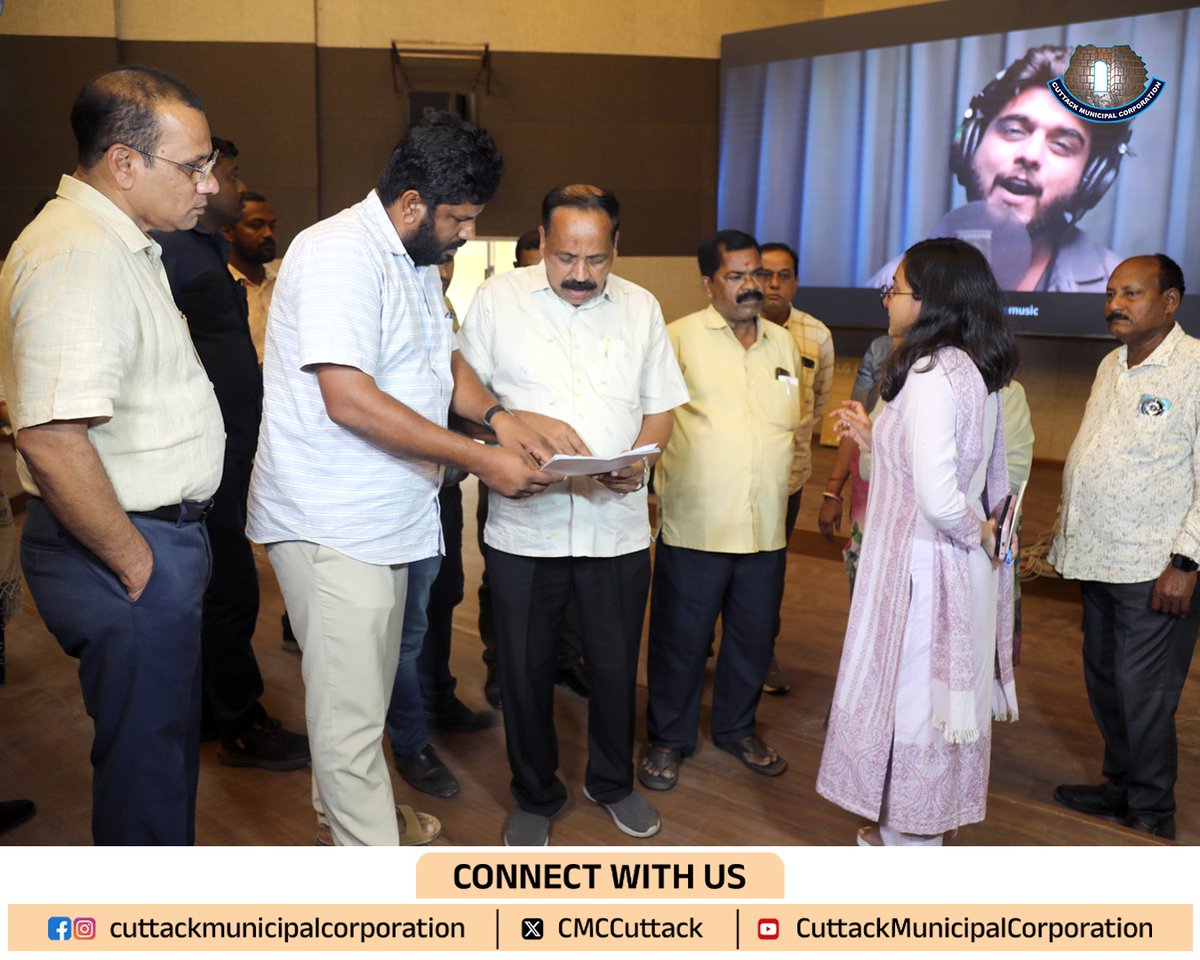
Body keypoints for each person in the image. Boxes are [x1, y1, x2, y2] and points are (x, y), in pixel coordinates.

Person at [246, 111, 557, 846]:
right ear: (411, 203)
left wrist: (500, 417)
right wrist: (481, 457)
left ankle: (353, 816)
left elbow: (439, 359)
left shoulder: (411, 261)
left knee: (358, 698)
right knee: (351, 720)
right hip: (333, 522)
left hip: (389, 516)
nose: (464, 236)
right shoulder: (335, 256)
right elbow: (348, 397)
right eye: (459, 220)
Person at [0, 65, 225, 844]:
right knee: (146, 777)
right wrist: (139, 565)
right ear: (125, 163)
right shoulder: (78, 256)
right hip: (122, 548)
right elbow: (52, 438)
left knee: (157, 754)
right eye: (194, 165)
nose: (211, 184)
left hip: (146, 539)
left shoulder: (119, 243)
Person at [458, 184, 688, 845]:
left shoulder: (641, 308)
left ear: (617, 246)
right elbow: (464, 392)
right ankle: (535, 794)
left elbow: (661, 402)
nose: (580, 275)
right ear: (542, 240)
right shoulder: (500, 300)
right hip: (523, 527)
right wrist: (500, 440)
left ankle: (613, 783)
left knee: (614, 669)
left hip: (613, 527)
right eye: (564, 259)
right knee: (525, 672)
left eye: (596, 259)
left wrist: (641, 460)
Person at [817, 237, 1019, 846]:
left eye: (896, 289)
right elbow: (942, 470)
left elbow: (938, 496)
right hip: (944, 566)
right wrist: (876, 437)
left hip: (924, 571)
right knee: (927, 706)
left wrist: (974, 530)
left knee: (913, 707)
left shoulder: (932, 371)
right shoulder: (966, 364)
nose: (887, 298)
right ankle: (917, 828)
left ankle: (908, 845)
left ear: (929, 299)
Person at [155, 138, 309, 772]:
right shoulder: (166, 253)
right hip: (205, 458)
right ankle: (239, 723)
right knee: (229, 593)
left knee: (225, 590)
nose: (238, 187)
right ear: (203, 176)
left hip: (234, 452)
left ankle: (212, 713)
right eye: (232, 174)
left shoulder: (198, 249)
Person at [640, 230, 799, 792]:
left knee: (753, 638)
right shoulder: (678, 338)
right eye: (736, 275)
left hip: (765, 529)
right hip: (699, 524)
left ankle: (737, 728)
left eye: (756, 273)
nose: (752, 285)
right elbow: (650, 420)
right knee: (681, 640)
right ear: (708, 283)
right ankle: (668, 739)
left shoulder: (783, 345)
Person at [1049, 254, 1198, 840]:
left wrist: (1186, 561)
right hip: (1097, 558)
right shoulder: (1112, 363)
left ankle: (1152, 812)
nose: (1115, 303)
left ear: (1171, 301)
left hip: (1154, 568)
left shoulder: (1193, 368)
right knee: (1106, 684)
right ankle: (1120, 785)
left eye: (1132, 293)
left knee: (1145, 696)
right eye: (1111, 292)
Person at [868, 45, 1132, 293]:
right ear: (971, 142)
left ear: (1090, 179)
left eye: (1062, 145)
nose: (1030, 155)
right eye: (1014, 131)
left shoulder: (1119, 290)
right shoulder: (894, 284)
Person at [474, 227, 589, 710]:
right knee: (503, 582)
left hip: (575, 481)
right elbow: (469, 394)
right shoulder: (498, 308)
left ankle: (565, 658)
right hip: (505, 468)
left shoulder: (584, 313)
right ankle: (502, 663)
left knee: (572, 578)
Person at [757, 241, 834, 695]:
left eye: (783, 275)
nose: (772, 284)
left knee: (769, 570)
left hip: (787, 477)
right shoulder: (732, 329)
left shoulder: (816, 335)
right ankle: (705, 639)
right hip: (731, 475)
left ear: (795, 282)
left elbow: (818, 403)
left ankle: (761, 652)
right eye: (764, 274)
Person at [224, 190, 279, 363]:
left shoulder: (283, 285)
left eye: (272, 226)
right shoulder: (219, 286)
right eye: (256, 225)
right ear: (228, 232)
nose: (268, 234)